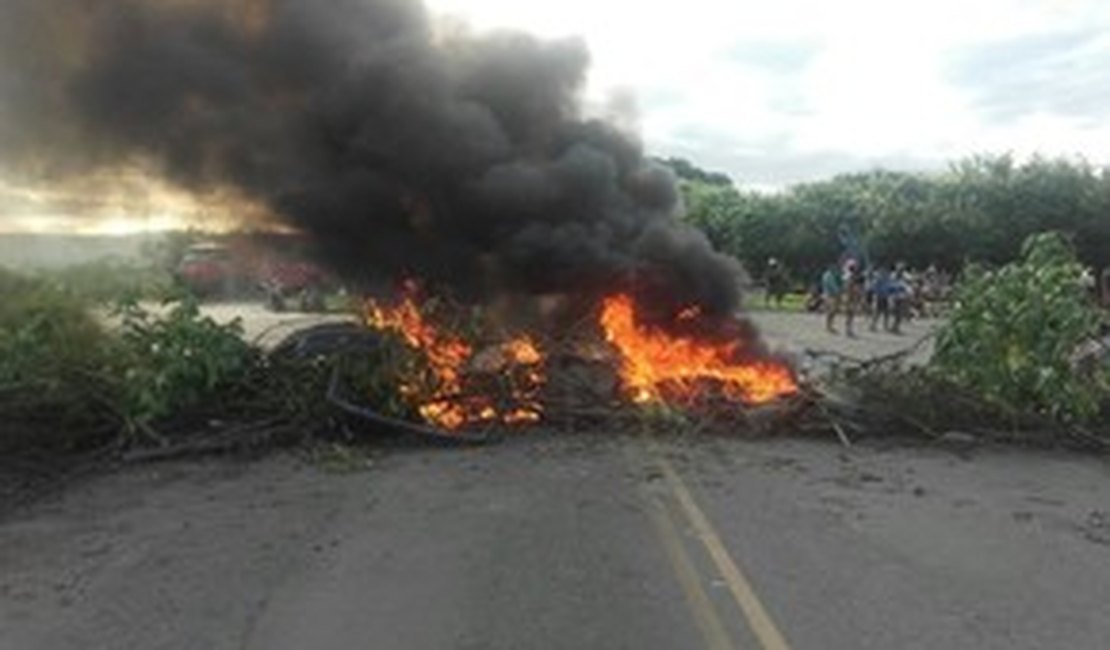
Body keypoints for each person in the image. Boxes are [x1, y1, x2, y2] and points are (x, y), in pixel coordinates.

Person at [821, 264, 843, 334]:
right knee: (832, 311)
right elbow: (833, 286)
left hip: (827, 294)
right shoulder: (829, 276)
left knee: (830, 311)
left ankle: (829, 326)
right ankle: (829, 327)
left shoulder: (826, 274)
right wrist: (838, 292)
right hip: (831, 295)